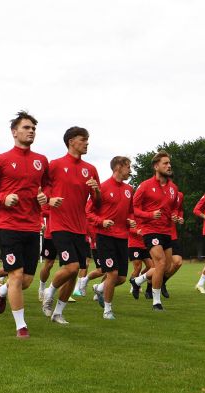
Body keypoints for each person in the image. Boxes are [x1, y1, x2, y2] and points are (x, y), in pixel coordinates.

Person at [0, 111, 50, 338]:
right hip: (9, 224)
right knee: (16, 275)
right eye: (26, 127)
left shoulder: (42, 160)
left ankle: (1, 291)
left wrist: (44, 197)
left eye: (33, 129)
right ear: (14, 132)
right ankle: (21, 326)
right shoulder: (1, 159)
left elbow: (47, 187)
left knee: (26, 281)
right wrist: (3, 198)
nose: (31, 131)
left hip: (32, 226)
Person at [41, 126, 101, 324]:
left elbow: (97, 203)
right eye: (83, 139)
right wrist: (49, 200)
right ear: (71, 141)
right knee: (72, 266)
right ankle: (49, 292)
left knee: (74, 273)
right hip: (60, 225)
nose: (87, 143)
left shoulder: (90, 169)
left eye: (87, 140)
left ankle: (58, 312)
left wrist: (97, 191)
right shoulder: (55, 165)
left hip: (80, 228)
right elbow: (40, 189)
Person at [87, 156, 135, 319]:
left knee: (121, 278)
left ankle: (99, 289)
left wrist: (130, 220)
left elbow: (130, 211)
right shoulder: (102, 187)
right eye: (128, 167)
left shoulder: (129, 189)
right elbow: (88, 212)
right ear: (118, 167)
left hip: (123, 237)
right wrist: (102, 221)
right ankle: (107, 310)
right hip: (105, 237)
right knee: (112, 273)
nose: (130, 170)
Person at [129, 150, 179, 311]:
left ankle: (137, 281)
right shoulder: (145, 186)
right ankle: (156, 302)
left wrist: (175, 216)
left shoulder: (174, 188)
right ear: (156, 166)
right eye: (165, 163)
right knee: (161, 262)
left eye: (169, 163)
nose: (169, 165)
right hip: (150, 230)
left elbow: (173, 209)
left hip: (166, 231)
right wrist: (150, 215)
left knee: (166, 267)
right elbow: (134, 209)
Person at [37, 205, 57, 302]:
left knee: (71, 265)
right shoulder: (50, 192)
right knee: (49, 264)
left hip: (69, 232)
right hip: (51, 234)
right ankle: (42, 287)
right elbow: (42, 211)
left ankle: (63, 292)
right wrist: (59, 214)